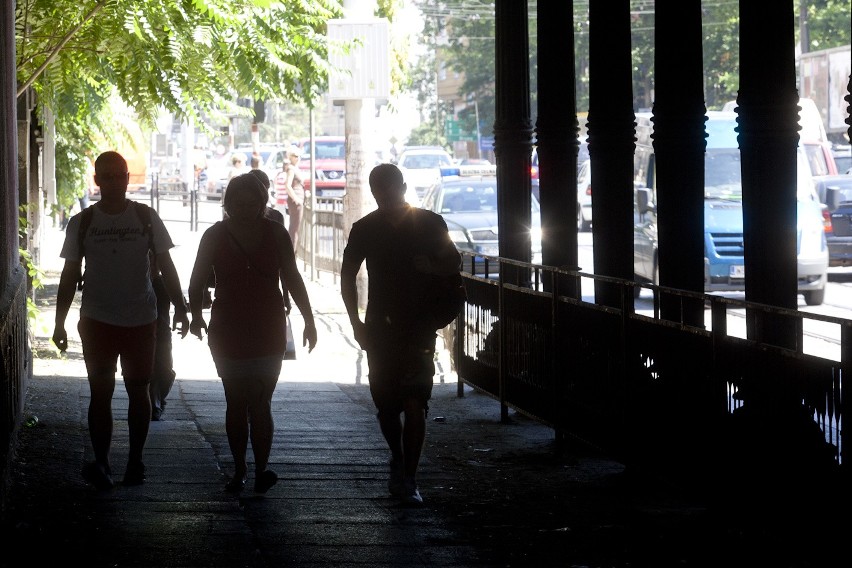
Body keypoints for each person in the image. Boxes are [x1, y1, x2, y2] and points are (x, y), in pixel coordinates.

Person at [52, 150, 190, 490]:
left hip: (141, 319)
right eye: (107, 176)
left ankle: (135, 461)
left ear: (129, 178)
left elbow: (167, 266)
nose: (114, 182)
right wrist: (59, 322)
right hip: (97, 320)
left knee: (138, 391)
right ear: (97, 180)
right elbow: (70, 275)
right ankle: (101, 462)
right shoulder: (83, 222)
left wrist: (183, 308)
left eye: (120, 175)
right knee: (100, 393)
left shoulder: (145, 217)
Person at [188, 173, 317, 494]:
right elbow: (196, 280)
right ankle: (241, 468)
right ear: (228, 204)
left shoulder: (276, 234)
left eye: (252, 203)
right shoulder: (214, 236)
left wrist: (309, 319)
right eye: (238, 203)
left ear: (262, 203)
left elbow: (292, 277)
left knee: (260, 401)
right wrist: (194, 316)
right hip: (229, 327)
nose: (245, 209)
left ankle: (259, 468)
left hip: (267, 326)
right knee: (235, 400)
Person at [341, 163, 462, 507]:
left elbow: (454, 263)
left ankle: (409, 474)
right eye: (381, 194)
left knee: (414, 401)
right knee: (388, 405)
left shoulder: (428, 223)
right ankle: (399, 459)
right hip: (381, 325)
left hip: (417, 325)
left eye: (390, 192)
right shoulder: (365, 228)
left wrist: (432, 267)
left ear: (403, 187)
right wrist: (355, 322)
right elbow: (347, 274)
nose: (387, 199)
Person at [149, 251, 180, 421]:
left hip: (162, 333)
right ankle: (154, 403)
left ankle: (158, 399)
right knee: (150, 369)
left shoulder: (163, 283)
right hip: (144, 331)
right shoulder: (140, 283)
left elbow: (177, 301)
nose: (152, 263)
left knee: (165, 369)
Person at [281, 145, 306, 252]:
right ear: (290, 157)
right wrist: (296, 198)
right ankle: (290, 256)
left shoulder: (295, 168)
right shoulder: (291, 168)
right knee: (294, 229)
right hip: (296, 201)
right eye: (295, 156)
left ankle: (291, 254)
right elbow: (287, 185)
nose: (298, 158)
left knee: (296, 228)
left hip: (298, 199)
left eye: (299, 156)